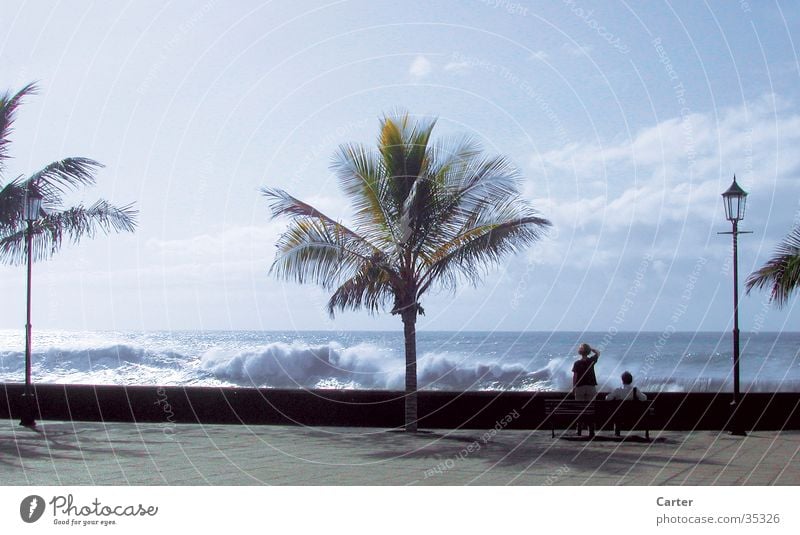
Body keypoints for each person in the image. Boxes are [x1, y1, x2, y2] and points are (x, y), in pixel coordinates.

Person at [571, 343, 600, 436]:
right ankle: (591, 430)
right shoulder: (591, 360)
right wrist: (590, 349)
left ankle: (579, 429)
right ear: (587, 352)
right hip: (591, 387)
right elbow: (598, 352)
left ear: (580, 352)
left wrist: (574, 388)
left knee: (580, 409)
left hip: (580, 387)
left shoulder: (577, 363)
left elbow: (575, 377)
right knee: (590, 409)